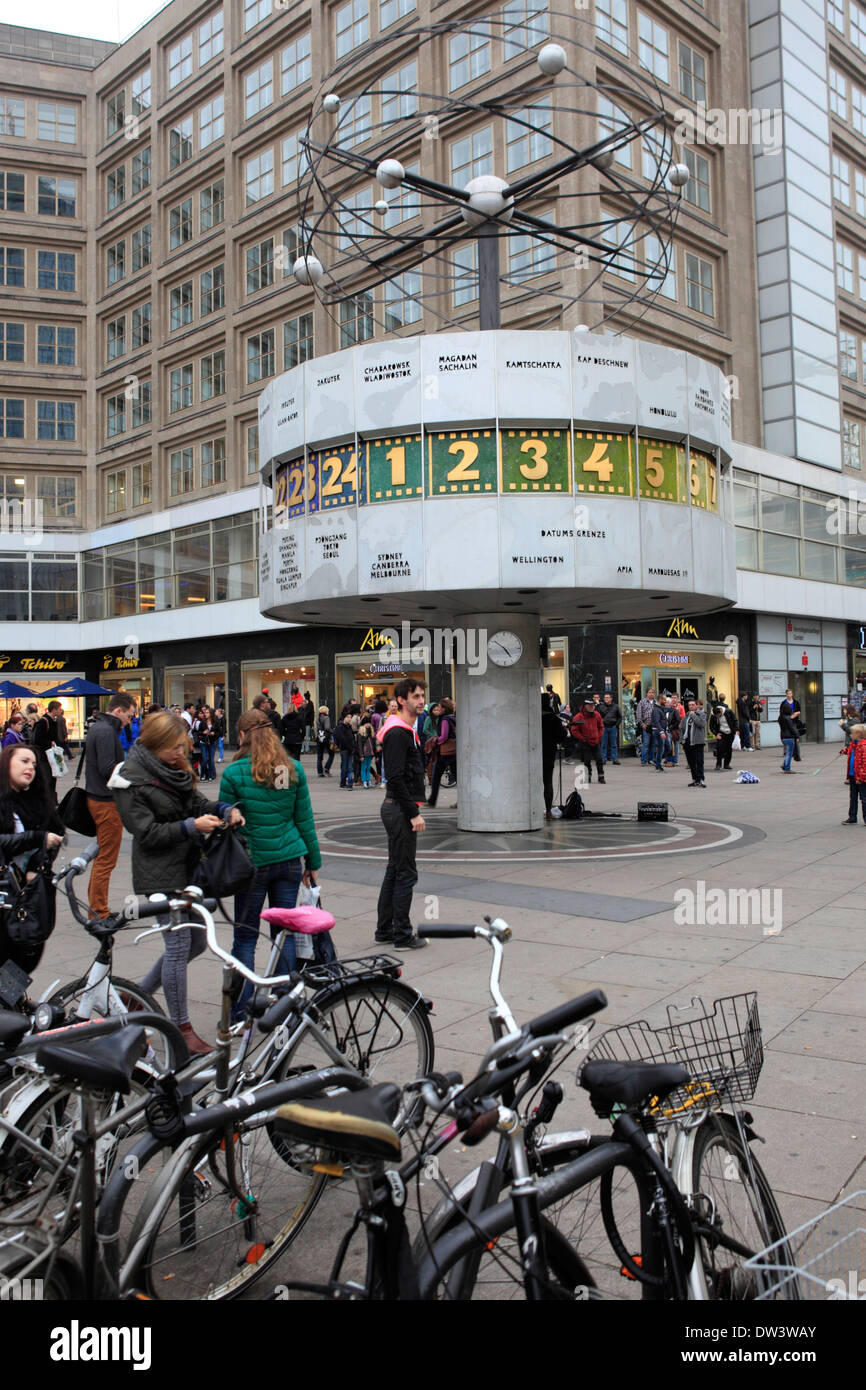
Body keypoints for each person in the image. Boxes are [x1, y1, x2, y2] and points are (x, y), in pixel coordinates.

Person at [112, 711, 242, 1055]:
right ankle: (180, 1027)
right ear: (155, 745)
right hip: (157, 872)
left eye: (182, 748)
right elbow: (145, 833)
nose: (180, 755)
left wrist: (224, 808)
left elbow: (196, 803)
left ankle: (136, 998)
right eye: (174, 749)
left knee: (198, 942)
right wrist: (190, 827)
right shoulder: (130, 779)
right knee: (179, 945)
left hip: (188, 869)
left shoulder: (172, 769)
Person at [219, 710, 321, 1020]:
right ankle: (282, 1003)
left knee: (246, 936)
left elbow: (228, 826)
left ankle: (241, 1009)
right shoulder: (291, 770)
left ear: (242, 736)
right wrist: (312, 862)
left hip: (252, 864)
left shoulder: (234, 773)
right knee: (283, 933)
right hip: (289, 861)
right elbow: (304, 819)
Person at [0, 746, 65, 974]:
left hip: (27, 895)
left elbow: (55, 835)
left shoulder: (35, 801)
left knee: (25, 951)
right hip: (4, 892)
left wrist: (38, 866)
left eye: (34, 765)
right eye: (24, 761)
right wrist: (36, 838)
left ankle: (14, 1002)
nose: (30, 768)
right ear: (6, 763)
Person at [375, 678, 428, 951]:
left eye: (422, 696)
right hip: (399, 809)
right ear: (402, 700)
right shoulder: (398, 733)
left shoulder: (405, 730)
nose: (421, 701)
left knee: (395, 870)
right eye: (416, 696)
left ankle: (385, 930)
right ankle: (402, 935)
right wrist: (413, 814)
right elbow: (394, 778)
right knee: (406, 873)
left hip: (397, 807)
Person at [84, 691, 136, 921]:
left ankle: (97, 908)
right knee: (106, 859)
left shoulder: (99, 727)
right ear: (118, 711)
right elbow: (108, 769)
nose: (130, 721)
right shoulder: (106, 731)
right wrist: (130, 772)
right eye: (129, 716)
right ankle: (99, 912)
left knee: (103, 858)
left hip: (98, 798)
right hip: (105, 802)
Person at [427, 697, 456, 808]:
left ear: (444, 708)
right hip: (454, 751)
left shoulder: (444, 720)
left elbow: (443, 736)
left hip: (445, 752)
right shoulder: (453, 718)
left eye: (439, 707)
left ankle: (432, 801)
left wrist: (435, 741)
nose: (438, 709)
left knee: (436, 776)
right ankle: (462, 801)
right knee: (457, 777)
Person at [541, 692, 566, 820]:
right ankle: (549, 811)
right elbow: (561, 736)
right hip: (548, 754)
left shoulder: (532, 717)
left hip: (533, 755)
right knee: (547, 783)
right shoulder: (553, 719)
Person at [32, 701, 63, 799]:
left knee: (53, 777)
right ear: (54, 709)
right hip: (44, 756)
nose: (60, 711)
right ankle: (48, 799)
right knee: (47, 778)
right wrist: (50, 742)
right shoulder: (44, 721)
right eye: (59, 709)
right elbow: (38, 739)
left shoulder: (53, 720)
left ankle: (52, 799)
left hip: (51, 755)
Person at [570, 698, 605, 783]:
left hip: (596, 741)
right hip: (585, 742)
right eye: (590, 706)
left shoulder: (597, 715)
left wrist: (599, 736)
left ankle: (601, 777)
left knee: (599, 759)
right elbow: (574, 730)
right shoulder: (579, 716)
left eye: (593, 705)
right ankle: (588, 776)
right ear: (585, 706)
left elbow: (601, 727)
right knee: (587, 761)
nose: (592, 707)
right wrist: (582, 738)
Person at [841, 722, 866, 823]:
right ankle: (852, 817)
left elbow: (864, 763)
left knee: (864, 798)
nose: (850, 735)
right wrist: (845, 751)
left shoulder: (863, 746)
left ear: (859, 734)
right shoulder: (853, 744)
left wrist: (861, 778)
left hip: (861, 776)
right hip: (852, 775)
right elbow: (850, 751)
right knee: (853, 797)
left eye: (852, 733)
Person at [681, 700, 707, 787]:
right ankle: (695, 779)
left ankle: (701, 779)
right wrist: (682, 740)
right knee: (691, 762)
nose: (691, 706)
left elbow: (702, 724)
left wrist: (693, 715)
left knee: (699, 761)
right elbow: (681, 727)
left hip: (698, 741)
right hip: (688, 741)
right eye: (689, 705)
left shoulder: (701, 714)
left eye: (693, 705)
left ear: (696, 706)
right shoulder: (687, 716)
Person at [710, 700, 737, 771]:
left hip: (730, 733)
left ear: (721, 712)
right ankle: (718, 764)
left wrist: (736, 730)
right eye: (717, 716)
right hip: (721, 733)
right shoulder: (713, 715)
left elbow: (735, 720)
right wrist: (716, 733)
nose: (718, 717)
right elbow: (711, 726)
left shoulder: (728, 712)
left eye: (719, 716)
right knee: (720, 749)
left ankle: (726, 764)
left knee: (729, 749)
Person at [779, 688, 803, 762]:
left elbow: (799, 711)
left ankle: (795, 752)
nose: (789, 695)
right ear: (786, 694)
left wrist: (793, 715)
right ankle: (786, 751)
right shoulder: (784, 703)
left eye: (790, 693)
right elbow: (781, 712)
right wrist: (789, 717)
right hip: (786, 721)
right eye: (788, 693)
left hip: (794, 721)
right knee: (787, 735)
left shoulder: (796, 702)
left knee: (793, 735)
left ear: (792, 694)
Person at [194, 706, 217, 781]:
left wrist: (214, 733)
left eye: (207, 712)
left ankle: (210, 776)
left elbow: (219, 732)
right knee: (205, 759)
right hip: (203, 742)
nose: (205, 714)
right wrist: (203, 732)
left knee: (211, 759)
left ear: (211, 714)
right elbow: (198, 732)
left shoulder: (215, 722)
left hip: (212, 742)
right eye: (205, 712)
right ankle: (202, 775)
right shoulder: (202, 722)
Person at [334, 712, 356, 788]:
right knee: (345, 766)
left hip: (350, 749)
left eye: (350, 717)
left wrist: (353, 747)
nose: (349, 718)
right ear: (344, 718)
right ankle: (344, 782)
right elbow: (342, 739)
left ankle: (349, 783)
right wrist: (350, 747)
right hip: (344, 749)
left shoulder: (349, 726)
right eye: (348, 717)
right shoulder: (340, 727)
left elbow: (352, 738)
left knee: (349, 767)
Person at [636, 688, 655, 765]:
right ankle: (643, 760)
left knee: (653, 744)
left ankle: (650, 759)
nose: (651, 694)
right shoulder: (642, 702)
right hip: (646, 726)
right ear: (646, 693)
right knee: (646, 744)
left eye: (652, 692)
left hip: (654, 726)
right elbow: (638, 714)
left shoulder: (656, 702)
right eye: (649, 692)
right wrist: (642, 724)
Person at [600, 693, 621, 766]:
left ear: (611, 698)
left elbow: (620, 717)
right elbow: (598, 717)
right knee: (603, 744)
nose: (606, 699)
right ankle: (603, 759)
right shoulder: (601, 707)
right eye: (605, 697)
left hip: (613, 727)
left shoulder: (616, 706)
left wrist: (616, 725)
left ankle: (615, 759)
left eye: (607, 697)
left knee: (614, 744)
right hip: (604, 727)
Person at [778, 705, 800, 773]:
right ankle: (787, 768)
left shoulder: (780, 718)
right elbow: (792, 728)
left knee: (788, 752)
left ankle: (784, 764)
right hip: (789, 737)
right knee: (789, 753)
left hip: (783, 737)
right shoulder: (788, 718)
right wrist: (797, 736)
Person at [315, 704, 335, 777]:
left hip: (319, 737)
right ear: (326, 711)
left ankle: (320, 772)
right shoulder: (326, 718)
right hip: (326, 738)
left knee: (319, 756)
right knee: (331, 754)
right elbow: (327, 727)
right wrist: (332, 731)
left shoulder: (317, 718)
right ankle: (326, 768)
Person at [662, 696, 681, 767]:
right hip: (665, 731)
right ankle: (668, 759)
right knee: (667, 745)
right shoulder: (663, 710)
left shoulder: (674, 711)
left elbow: (678, 720)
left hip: (672, 731)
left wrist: (671, 727)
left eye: (667, 702)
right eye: (665, 702)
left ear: (670, 703)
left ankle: (674, 760)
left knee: (674, 745)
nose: (666, 703)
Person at [358, 718, 376, 788]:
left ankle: (368, 781)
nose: (368, 724)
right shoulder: (361, 733)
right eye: (366, 723)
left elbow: (373, 743)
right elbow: (359, 745)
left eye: (369, 723)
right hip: (364, 753)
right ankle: (364, 781)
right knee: (364, 767)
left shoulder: (371, 732)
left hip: (370, 753)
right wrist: (361, 755)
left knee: (368, 767)